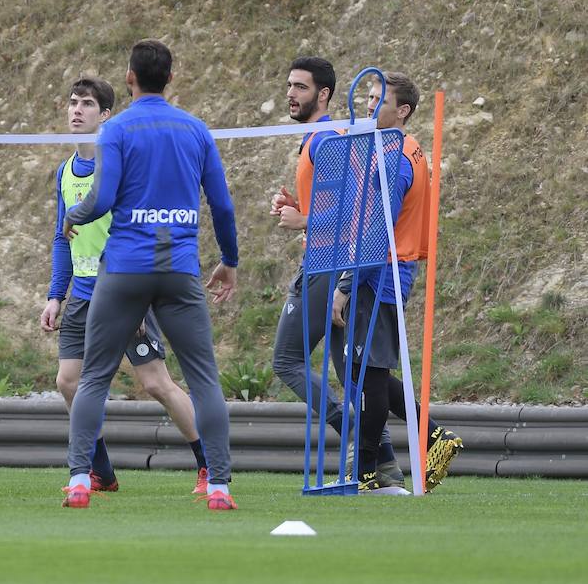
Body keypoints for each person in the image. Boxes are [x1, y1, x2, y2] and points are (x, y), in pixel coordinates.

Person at [61, 41, 239, 510]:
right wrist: (230, 259)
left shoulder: (116, 129)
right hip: (179, 270)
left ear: (128, 78)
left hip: (123, 270)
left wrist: (73, 215)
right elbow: (221, 205)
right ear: (171, 79)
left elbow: (100, 200)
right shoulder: (196, 130)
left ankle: (80, 480)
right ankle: (218, 487)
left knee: (94, 377)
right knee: (203, 380)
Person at [39, 76, 210, 495]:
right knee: (67, 381)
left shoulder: (119, 166)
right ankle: (102, 471)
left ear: (106, 116)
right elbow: (64, 237)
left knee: (155, 383)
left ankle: (210, 465)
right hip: (81, 294)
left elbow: (135, 230)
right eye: (73, 103)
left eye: (87, 105)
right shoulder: (64, 171)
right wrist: (54, 295)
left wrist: (132, 297)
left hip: (121, 288)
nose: (77, 110)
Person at [267, 57, 409, 489]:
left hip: (330, 265)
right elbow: (335, 204)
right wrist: (300, 205)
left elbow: (354, 212)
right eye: (289, 85)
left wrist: (303, 220)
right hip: (335, 263)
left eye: (301, 87)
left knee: (287, 360)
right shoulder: (323, 138)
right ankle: (383, 464)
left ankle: (352, 431)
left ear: (323, 95)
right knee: (355, 376)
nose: (291, 93)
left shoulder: (327, 138)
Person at [331, 72, 463, 492]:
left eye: (377, 100)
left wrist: (347, 285)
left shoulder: (393, 157)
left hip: (380, 274)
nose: (369, 105)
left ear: (402, 110)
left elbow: (377, 228)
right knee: (362, 369)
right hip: (388, 272)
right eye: (369, 98)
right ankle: (432, 436)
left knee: (367, 373)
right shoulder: (406, 149)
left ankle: (369, 471)